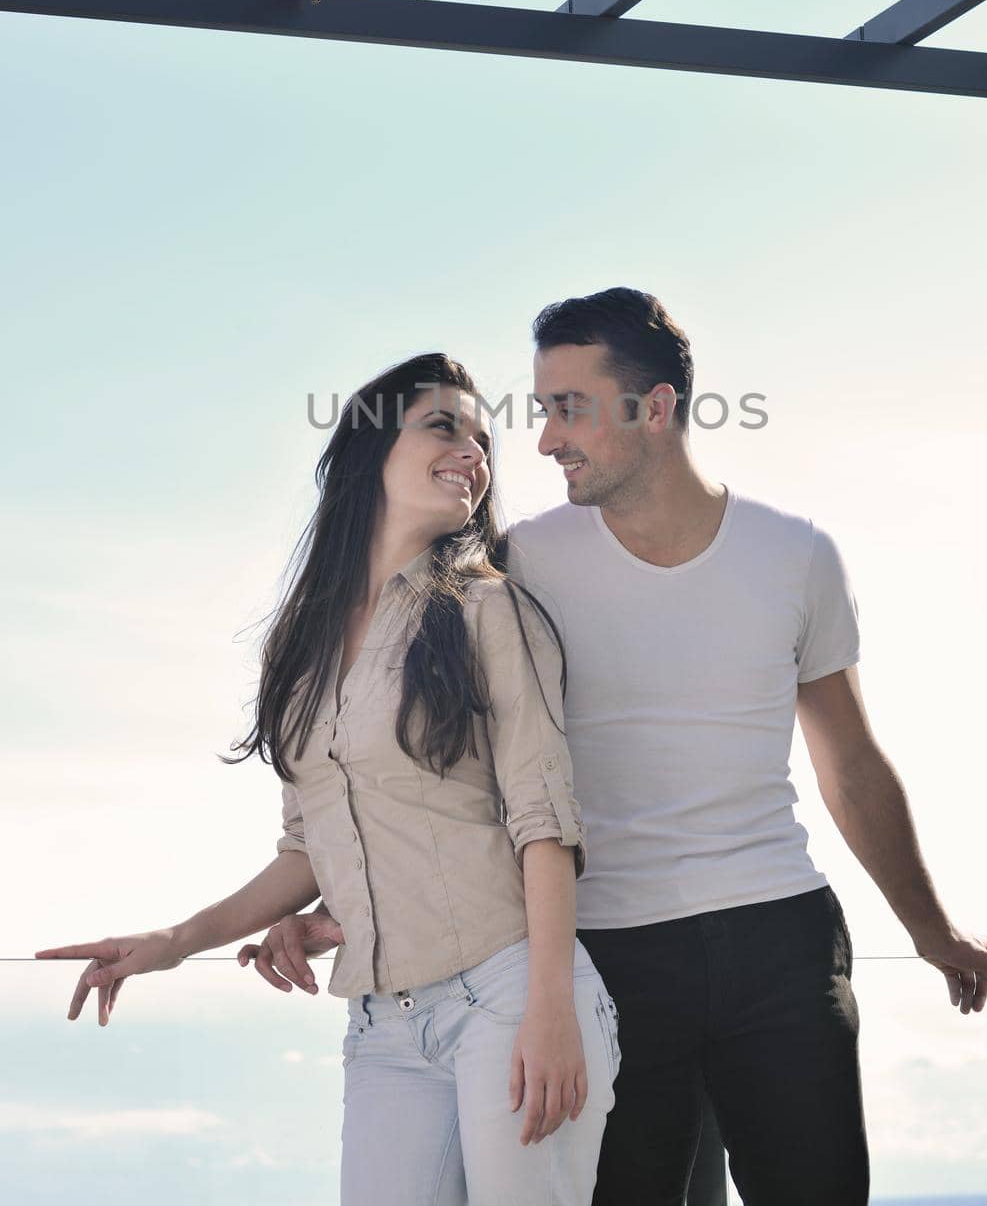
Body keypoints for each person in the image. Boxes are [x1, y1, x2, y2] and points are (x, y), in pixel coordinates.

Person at [244, 290, 987, 1206]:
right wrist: (345, 896)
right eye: (538, 412)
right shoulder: (519, 565)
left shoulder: (795, 555)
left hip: (776, 936)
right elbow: (437, 760)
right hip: (604, 956)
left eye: (566, 408)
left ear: (653, 409)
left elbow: (849, 765)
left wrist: (931, 930)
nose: (541, 441)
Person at [34, 352, 622, 1206]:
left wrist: (551, 1009)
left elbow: (544, 821)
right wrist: (170, 943)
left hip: (510, 993)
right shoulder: (299, 646)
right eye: (442, 426)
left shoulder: (487, 610)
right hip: (380, 1023)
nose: (473, 453)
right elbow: (308, 846)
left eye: (482, 440)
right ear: (367, 453)